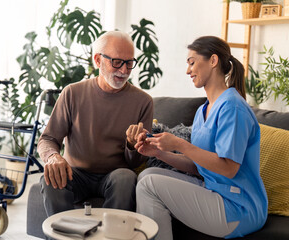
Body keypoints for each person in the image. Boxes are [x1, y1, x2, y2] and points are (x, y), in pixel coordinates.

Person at [134, 36, 268, 239]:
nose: (188, 71)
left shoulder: (232, 107)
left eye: (192, 62)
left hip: (239, 206)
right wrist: (160, 153)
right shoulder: (202, 111)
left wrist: (179, 144)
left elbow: (228, 168)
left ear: (213, 61)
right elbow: (199, 167)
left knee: (148, 185)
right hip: (213, 190)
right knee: (147, 175)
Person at [37, 30, 153, 217]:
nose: (124, 71)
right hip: (75, 173)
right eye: (117, 62)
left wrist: (132, 146)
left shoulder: (143, 102)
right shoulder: (72, 93)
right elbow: (48, 139)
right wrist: (53, 157)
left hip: (115, 175)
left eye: (129, 63)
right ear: (98, 60)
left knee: (126, 177)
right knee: (50, 178)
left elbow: (137, 161)